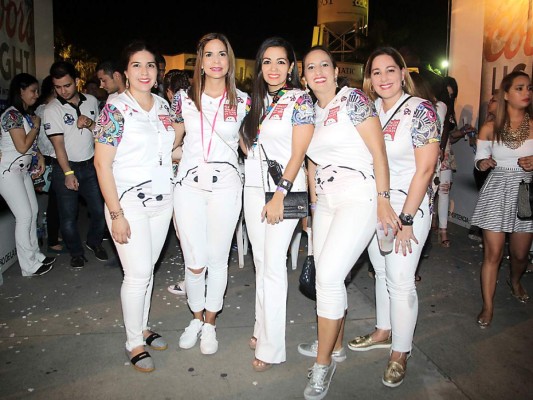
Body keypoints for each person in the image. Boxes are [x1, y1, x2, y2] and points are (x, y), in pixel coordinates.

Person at [297, 45, 399, 399]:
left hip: (358, 196)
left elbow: (378, 152)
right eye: (311, 67)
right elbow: (310, 163)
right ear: (304, 77)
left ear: (336, 70)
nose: (319, 71)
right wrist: (311, 209)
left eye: (325, 64)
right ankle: (335, 345)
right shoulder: (310, 110)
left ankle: (323, 366)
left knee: (327, 276)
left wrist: (384, 202)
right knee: (329, 278)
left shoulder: (352, 99)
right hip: (325, 201)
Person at [348, 47, 440, 388]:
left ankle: (401, 352)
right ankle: (384, 330)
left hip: (406, 206)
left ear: (403, 74)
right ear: (369, 79)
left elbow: (426, 168)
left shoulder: (421, 111)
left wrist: (406, 219)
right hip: (375, 205)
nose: (384, 78)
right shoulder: (369, 111)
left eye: (390, 70)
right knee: (381, 273)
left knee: (401, 280)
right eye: (376, 72)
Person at [94, 40, 180, 373]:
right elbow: (102, 164)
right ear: (124, 73)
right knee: (137, 274)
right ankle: (133, 343)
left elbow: (168, 153)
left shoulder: (162, 106)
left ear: (157, 72)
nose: (145, 72)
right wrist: (116, 214)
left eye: (150, 66)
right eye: (136, 66)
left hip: (162, 201)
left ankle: (142, 327)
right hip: (128, 203)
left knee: (148, 271)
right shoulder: (114, 109)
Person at [170, 33, 250, 355]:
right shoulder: (183, 99)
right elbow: (171, 145)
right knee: (194, 262)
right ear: (200, 62)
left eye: (222, 54)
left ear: (229, 61)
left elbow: (249, 145)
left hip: (226, 188)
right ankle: (195, 316)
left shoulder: (243, 100)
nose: (216, 61)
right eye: (209, 55)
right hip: (188, 188)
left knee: (218, 260)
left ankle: (210, 323)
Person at [239, 36, 314, 372]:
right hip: (253, 189)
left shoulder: (300, 100)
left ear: (292, 67)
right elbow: (247, 143)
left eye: (280, 61)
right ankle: (261, 328)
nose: (273, 68)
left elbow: (299, 153)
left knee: (272, 266)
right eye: (267, 61)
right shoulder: (256, 101)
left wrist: (281, 194)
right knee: (260, 261)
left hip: (281, 193)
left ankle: (272, 348)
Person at [470, 70, 533, 328]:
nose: (526, 92)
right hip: (497, 188)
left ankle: (515, 279)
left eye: (529, 88)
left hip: (524, 191)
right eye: (519, 88)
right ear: (506, 94)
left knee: (519, 254)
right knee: (493, 253)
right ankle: (488, 305)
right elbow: (479, 160)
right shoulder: (490, 127)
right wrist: (483, 162)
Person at [44, 60, 108, 268]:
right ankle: (76, 252)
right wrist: (68, 172)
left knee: (100, 211)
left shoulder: (90, 101)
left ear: (77, 81)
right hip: (66, 167)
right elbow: (58, 145)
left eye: (67, 85)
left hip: (90, 165)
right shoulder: (51, 110)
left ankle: (93, 241)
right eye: (58, 87)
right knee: (69, 217)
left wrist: (89, 123)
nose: (62, 91)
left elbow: (100, 132)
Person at [0, 73, 56, 276]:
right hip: (8, 173)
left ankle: (35, 255)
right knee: (24, 216)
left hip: (22, 172)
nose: (36, 94)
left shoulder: (23, 115)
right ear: (20, 92)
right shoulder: (11, 115)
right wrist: (37, 126)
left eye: (37, 90)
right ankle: (28, 265)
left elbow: (30, 145)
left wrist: (39, 156)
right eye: (32, 91)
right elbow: (22, 145)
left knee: (32, 212)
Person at [163, 69, 192, 297]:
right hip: (196, 177)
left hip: (181, 177)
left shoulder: (177, 103)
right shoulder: (199, 100)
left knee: (185, 232)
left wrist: (166, 154)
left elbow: (176, 144)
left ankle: (191, 280)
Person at [35, 75, 64, 254]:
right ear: (53, 89)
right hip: (51, 159)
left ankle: (54, 235)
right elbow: (47, 140)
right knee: (54, 203)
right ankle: (52, 240)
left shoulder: (46, 108)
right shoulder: (45, 110)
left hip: (52, 158)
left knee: (57, 202)